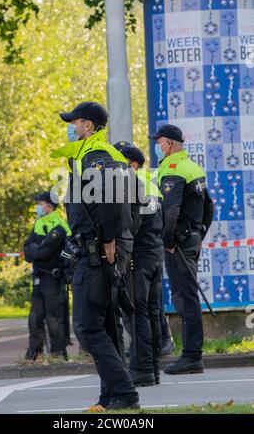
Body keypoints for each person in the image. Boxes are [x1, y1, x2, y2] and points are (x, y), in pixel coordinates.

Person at [51, 101, 140, 411]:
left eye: (74, 122)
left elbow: (113, 200)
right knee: (107, 325)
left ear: (88, 126)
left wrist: (111, 239)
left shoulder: (96, 156)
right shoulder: (99, 155)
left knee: (88, 326)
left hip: (96, 250)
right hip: (98, 248)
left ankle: (125, 393)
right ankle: (111, 397)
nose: (71, 128)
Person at [151, 124, 214, 375]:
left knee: (185, 299)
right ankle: (191, 354)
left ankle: (191, 356)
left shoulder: (174, 169)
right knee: (187, 297)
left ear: (169, 144)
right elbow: (209, 207)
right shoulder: (193, 167)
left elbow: (171, 212)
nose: (157, 146)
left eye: (159, 141)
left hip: (178, 244)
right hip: (190, 240)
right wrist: (200, 235)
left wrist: (168, 242)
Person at [114, 141, 164, 386]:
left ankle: (142, 369)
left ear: (132, 164)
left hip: (138, 257)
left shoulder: (132, 183)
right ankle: (152, 368)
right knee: (152, 312)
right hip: (155, 254)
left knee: (136, 314)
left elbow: (130, 226)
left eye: (120, 163)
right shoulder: (152, 184)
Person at [24, 191, 71, 361]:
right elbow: (27, 249)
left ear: (49, 206)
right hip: (39, 277)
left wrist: (35, 249)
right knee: (34, 317)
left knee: (54, 318)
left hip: (53, 278)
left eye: (40, 203)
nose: (38, 207)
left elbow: (43, 252)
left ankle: (58, 354)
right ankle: (35, 352)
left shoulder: (59, 225)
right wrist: (36, 249)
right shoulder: (38, 224)